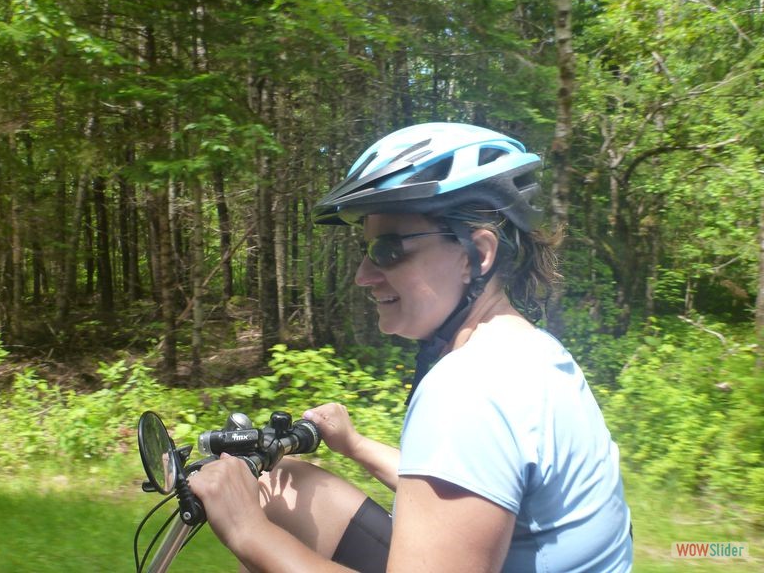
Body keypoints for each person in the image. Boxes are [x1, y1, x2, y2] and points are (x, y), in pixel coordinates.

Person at [189, 122, 633, 572]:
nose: (363, 274)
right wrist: (355, 445)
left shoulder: (469, 390)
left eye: (388, 250)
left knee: (262, 519)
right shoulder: (529, 351)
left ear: (476, 255)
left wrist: (247, 530)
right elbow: (469, 483)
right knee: (284, 485)